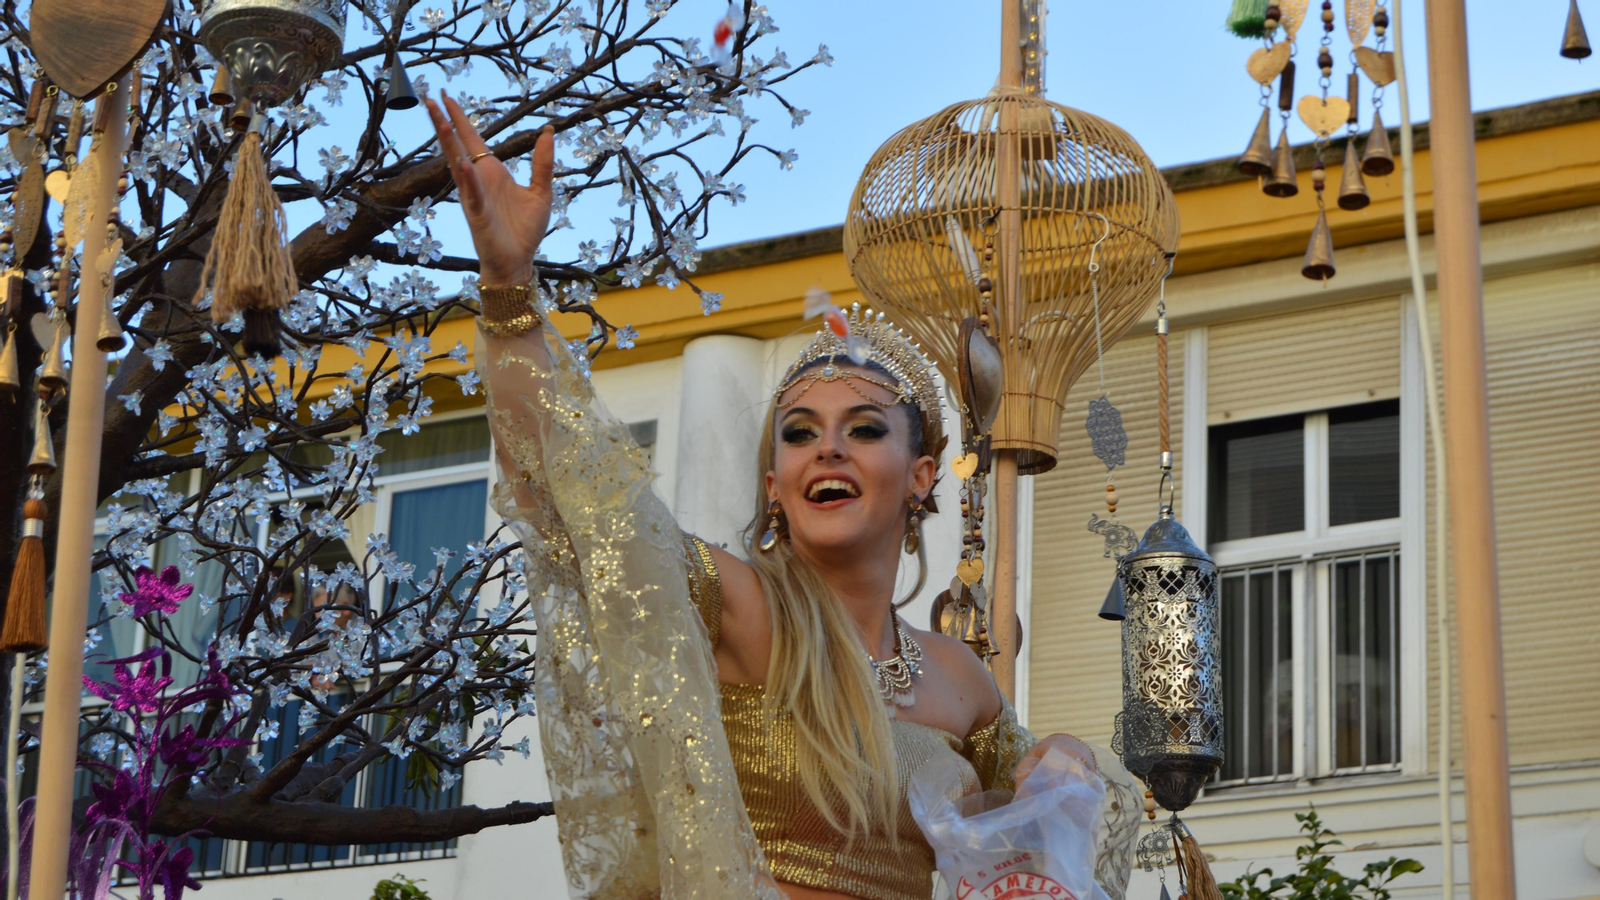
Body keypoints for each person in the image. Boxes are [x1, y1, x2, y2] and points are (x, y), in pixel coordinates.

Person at [423, 92, 1137, 900]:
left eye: (863, 429)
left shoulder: (960, 678)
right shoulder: (736, 604)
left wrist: (1067, 760)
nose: (828, 447)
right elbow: (577, 500)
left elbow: (1036, 846)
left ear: (920, 476)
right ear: (775, 486)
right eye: (799, 433)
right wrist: (509, 291)